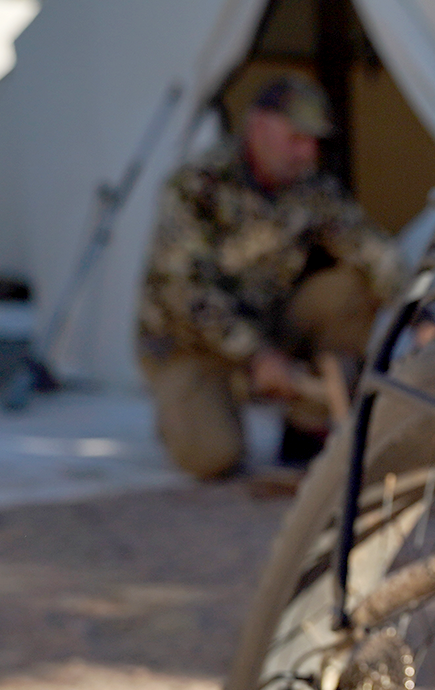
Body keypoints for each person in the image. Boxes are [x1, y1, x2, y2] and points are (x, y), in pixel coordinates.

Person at [138, 72, 401, 481]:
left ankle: (307, 426)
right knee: (213, 457)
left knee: (348, 290)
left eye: (314, 141)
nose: (307, 152)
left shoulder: (310, 188)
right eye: (297, 137)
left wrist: (420, 314)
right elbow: (185, 294)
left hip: (266, 324)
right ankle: (183, 407)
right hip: (190, 346)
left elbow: (371, 250)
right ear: (258, 126)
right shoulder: (196, 187)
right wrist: (255, 355)